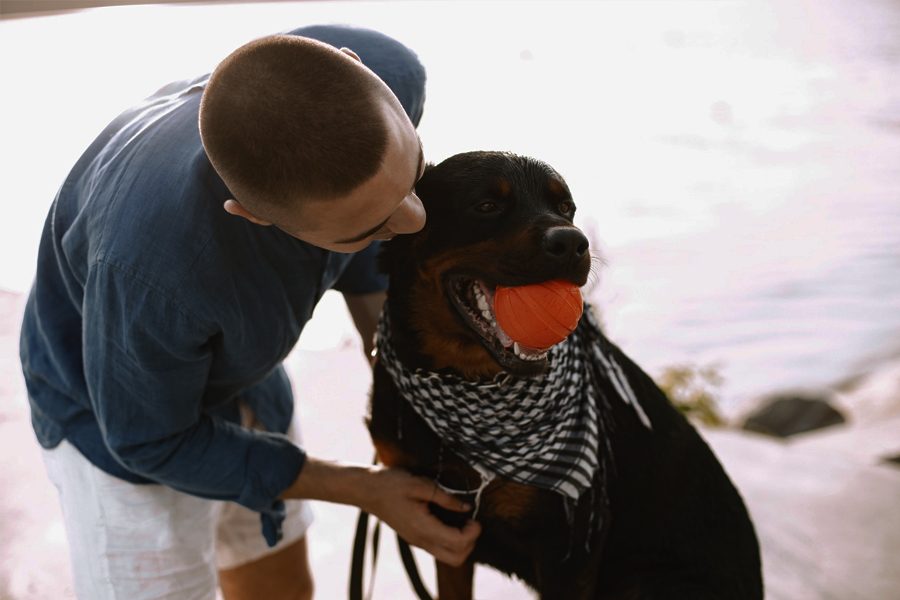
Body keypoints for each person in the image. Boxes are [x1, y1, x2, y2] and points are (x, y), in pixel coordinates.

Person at [19, 25, 480, 600]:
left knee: (281, 589)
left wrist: (409, 391)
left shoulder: (389, 74)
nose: (416, 222)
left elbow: (371, 238)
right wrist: (367, 490)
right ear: (254, 216)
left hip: (241, 367)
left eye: (414, 170)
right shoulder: (156, 276)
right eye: (368, 229)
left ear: (351, 63)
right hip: (123, 418)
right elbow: (149, 441)